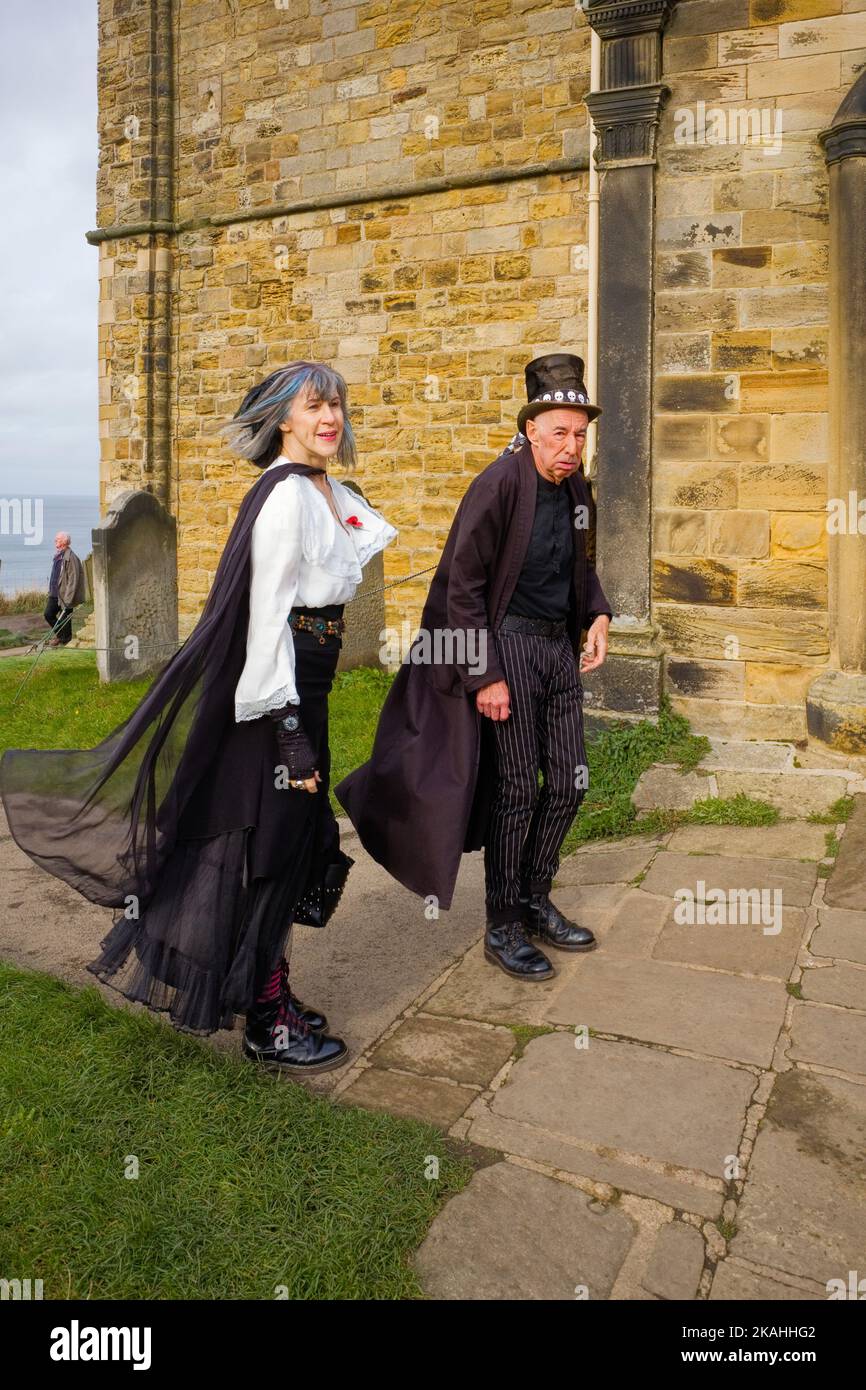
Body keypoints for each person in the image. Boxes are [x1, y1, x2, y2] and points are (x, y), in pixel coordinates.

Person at [0, 362, 396, 1073]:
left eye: (336, 403)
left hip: (309, 690)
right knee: (272, 855)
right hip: (280, 702)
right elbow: (267, 621)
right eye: (314, 405)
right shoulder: (282, 497)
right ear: (283, 418)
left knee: (291, 847)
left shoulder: (320, 489)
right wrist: (291, 735)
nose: (330, 416)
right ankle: (265, 1023)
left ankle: (270, 994)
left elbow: (340, 568)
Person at [337, 353, 612, 981]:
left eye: (580, 433)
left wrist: (597, 616)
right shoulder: (499, 484)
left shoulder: (578, 490)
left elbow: (583, 566)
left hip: (556, 651)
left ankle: (537, 900)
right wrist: (484, 674)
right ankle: (503, 925)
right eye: (560, 432)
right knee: (515, 792)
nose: (571, 446)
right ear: (532, 428)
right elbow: (462, 585)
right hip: (507, 649)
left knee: (569, 783)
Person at [44, 531, 86, 645]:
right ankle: (61, 636)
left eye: (57, 539)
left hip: (65, 594)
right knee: (48, 614)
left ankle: (65, 640)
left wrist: (69, 598)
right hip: (54, 593)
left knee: (65, 618)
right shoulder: (58, 555)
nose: (55, 541)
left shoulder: (71, 557)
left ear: (63, 542)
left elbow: (73, 580)